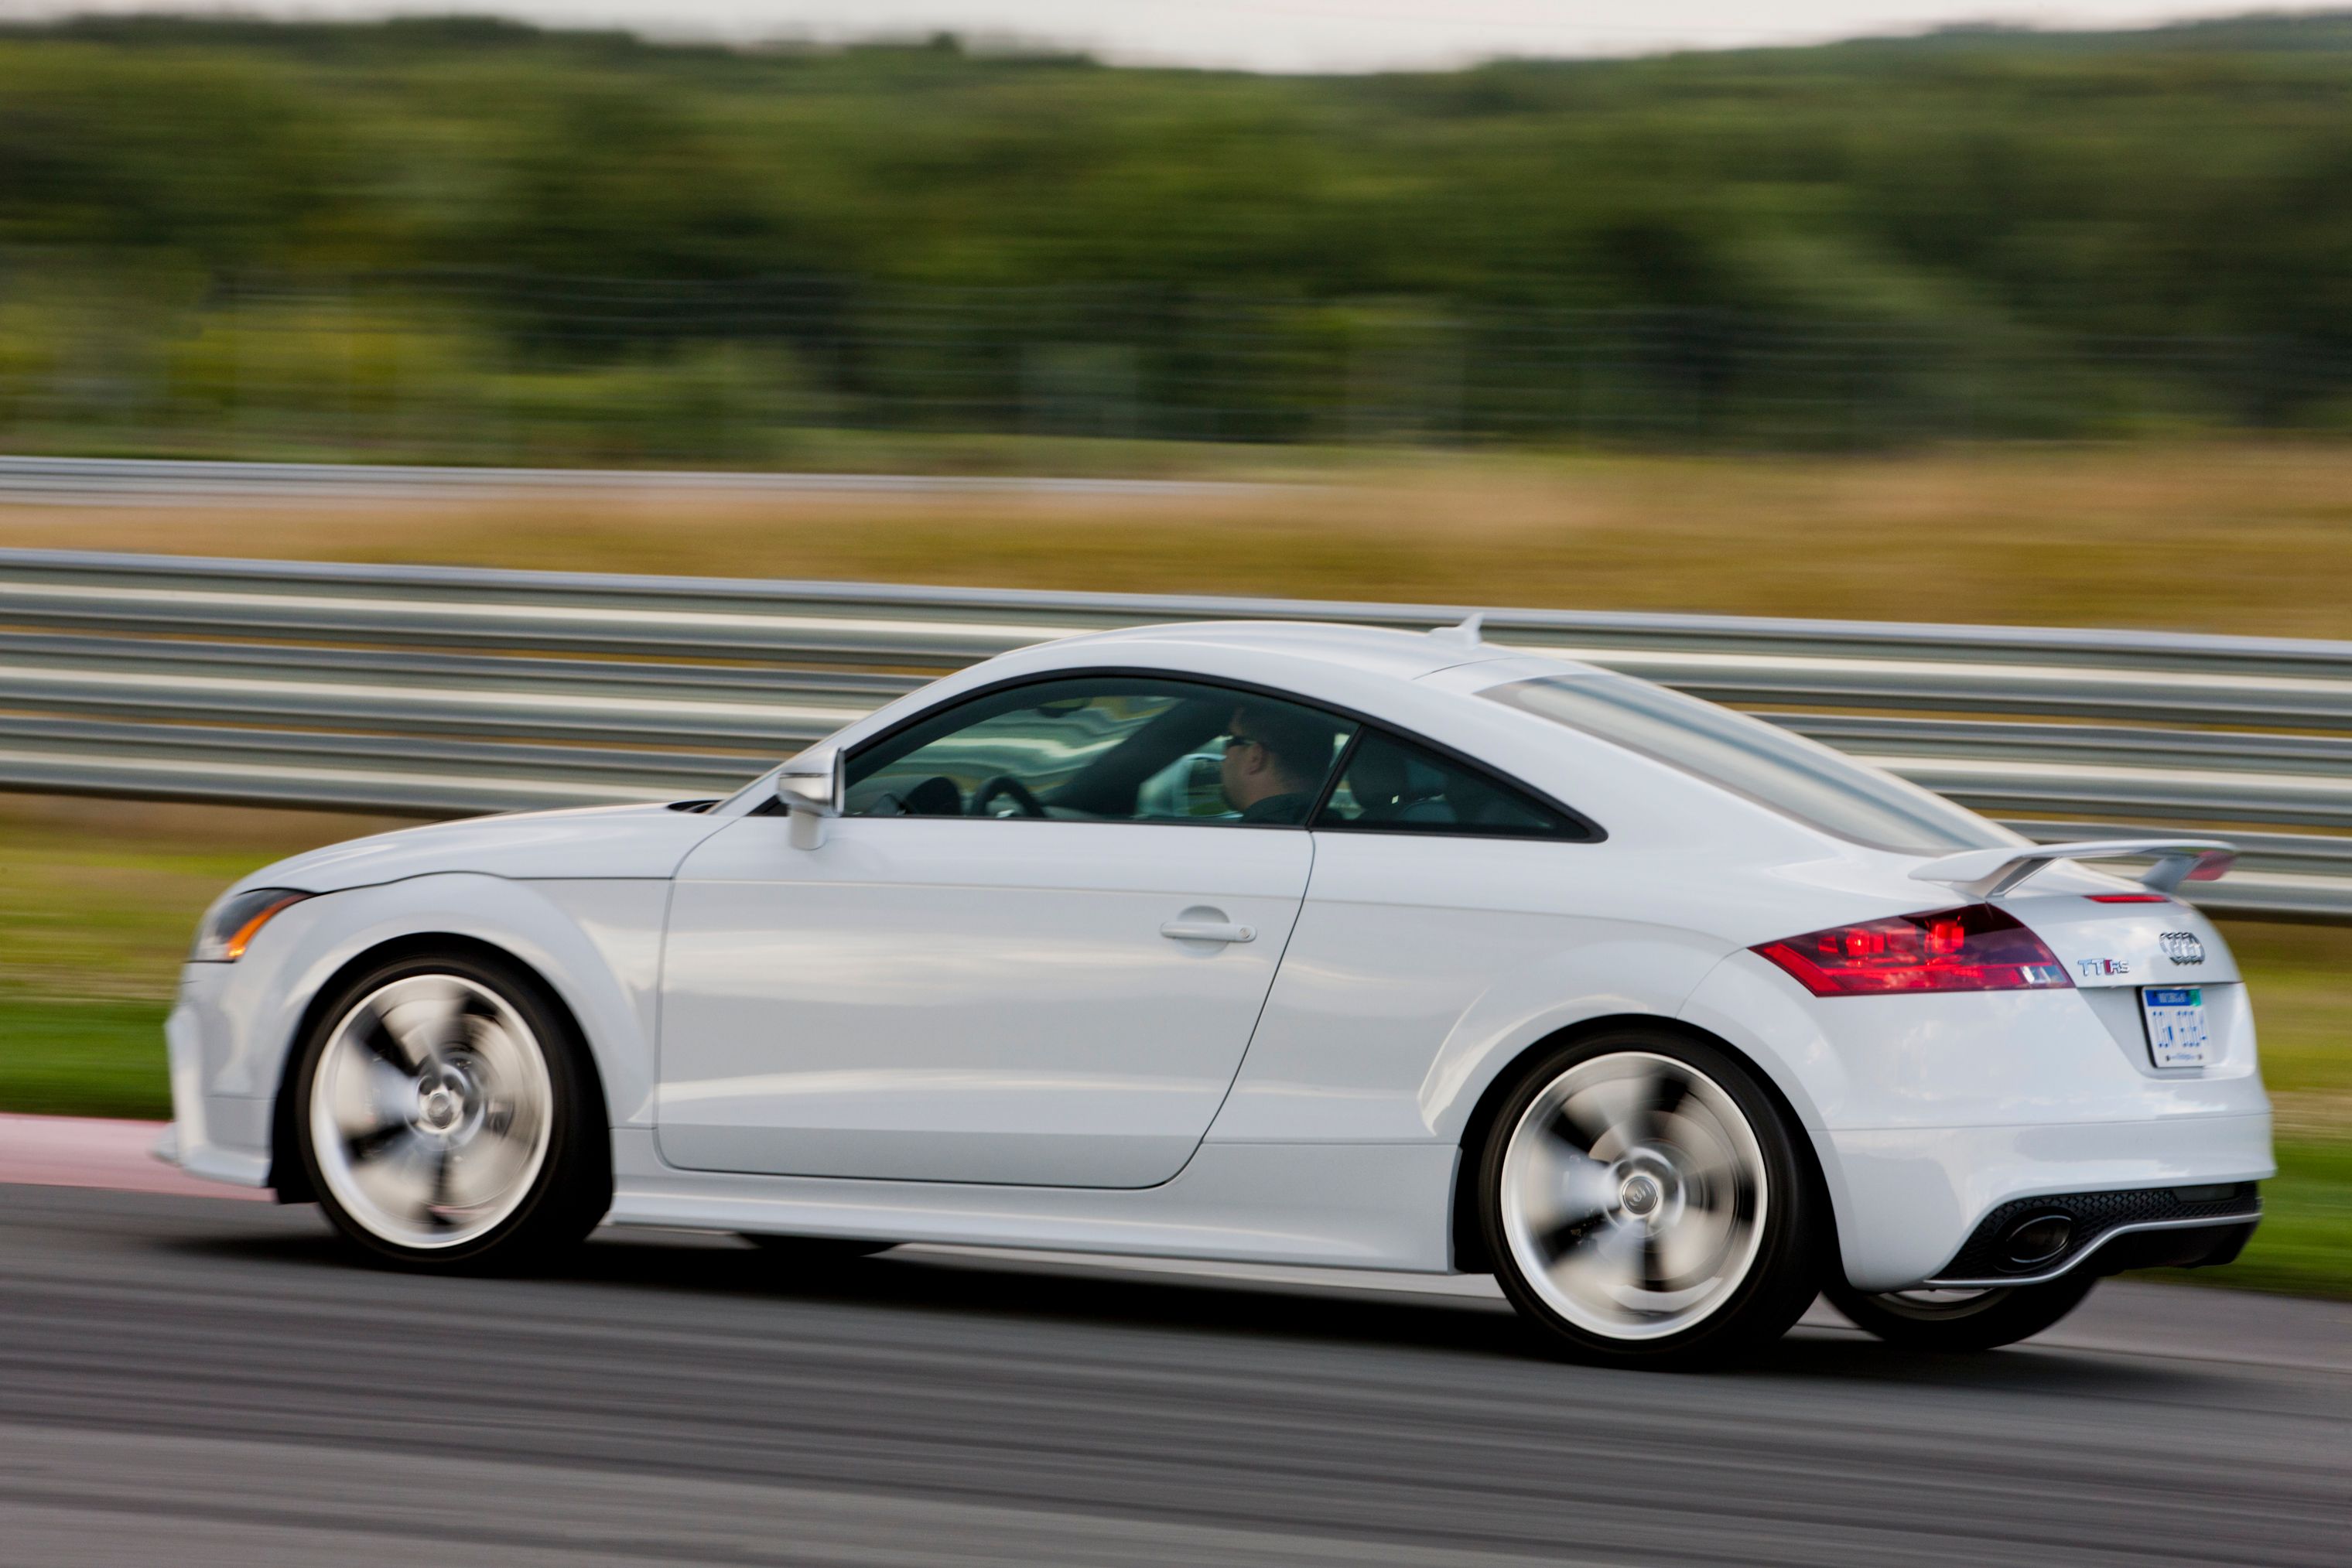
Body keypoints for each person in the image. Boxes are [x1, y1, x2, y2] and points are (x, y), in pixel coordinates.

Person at [1220, 702, 1338, 824]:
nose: (1224, 754)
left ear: (1255, 757)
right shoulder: (1334, 826)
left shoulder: (1252, 837)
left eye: (1231, 739)